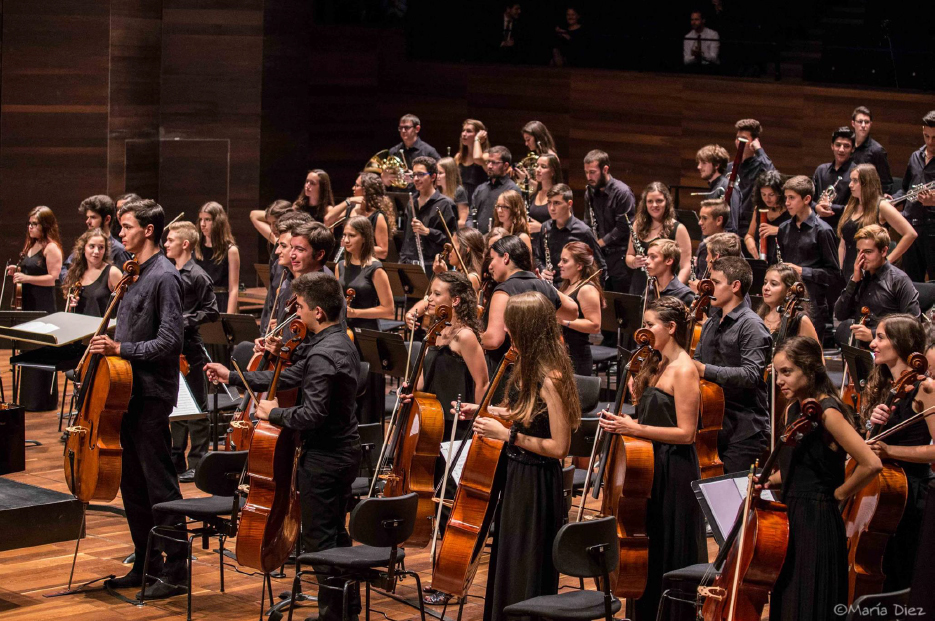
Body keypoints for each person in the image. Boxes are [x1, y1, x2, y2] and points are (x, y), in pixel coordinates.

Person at [206, 272, 362, 621]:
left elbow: (313, 414)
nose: (299, 315)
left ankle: (333, 616)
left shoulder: (324, 354)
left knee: (322, 542)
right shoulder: (337, 342)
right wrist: (232, 375)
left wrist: (274, 413)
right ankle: (345, 612)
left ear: (318, 312)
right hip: (344, 453)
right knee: (337, 534)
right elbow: (288, 377)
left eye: (303, 308)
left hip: (324, 459)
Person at [88, 199, 186, 599]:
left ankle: (177, 572)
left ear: (148, 230)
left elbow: (169, 341)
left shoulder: (164, 277)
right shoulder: (132, 275)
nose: (121, 233)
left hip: (152, 394)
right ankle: (147, 563)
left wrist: (119, 347)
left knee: (159, 483)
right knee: (132, 483)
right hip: (124, 393)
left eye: (126, 227)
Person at [464, 291, 580, 621]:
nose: (504, 329)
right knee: (509, 559)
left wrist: (507, 434)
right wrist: (492, 411)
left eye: (509, 323)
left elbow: (560, 447)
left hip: (537, 483)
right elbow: (530, 414)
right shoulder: (526, 365)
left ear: (523, 327)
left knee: (525, 564)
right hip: (516, 475)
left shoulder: (551, 378)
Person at [599, 296, 706, 620]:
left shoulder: (685, 369)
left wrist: (635, 426)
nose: (642, 330)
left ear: (671, 328)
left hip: (674, 470)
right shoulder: (655, 362)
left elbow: (687, 433)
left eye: (649, 324)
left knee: (668, 547)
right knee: (651, 546)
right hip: (650, 466)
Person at [765, 336, 882, 621]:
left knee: (809, 601)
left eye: (787, 372)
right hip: (792, 514)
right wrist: (768, 482)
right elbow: (800, 469)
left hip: (817, 519)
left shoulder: (827, 412)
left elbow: (871, 463)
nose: (780, 380)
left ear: (810, 370)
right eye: (777, 373)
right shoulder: (795, 409)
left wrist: (839, 494)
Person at [862, 314, 935, 591]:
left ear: (901, 342)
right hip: (882, 490)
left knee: (903, 572)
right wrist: (872, 423)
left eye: (881, 337)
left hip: (912, 492)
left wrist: (890, 449)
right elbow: (870, 443)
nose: (873, 344)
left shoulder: (926, 388)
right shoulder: (884, 385)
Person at [693, 256, 771, 473]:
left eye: (716, 283)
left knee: (734, 501)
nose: (708, 287)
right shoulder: (711, 322)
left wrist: (705, 370)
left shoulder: (752, 325)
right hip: (713, 423)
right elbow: (698, 360)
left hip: (744, 430)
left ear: (735, 286)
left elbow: (751, 374)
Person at [164, 221, 219, 482]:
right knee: (176, 403)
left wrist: (182, 320)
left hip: (191, 348)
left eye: (171, 240)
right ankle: (176, 458)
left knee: (197, 405)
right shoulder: (167, 271)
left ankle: (198, 462)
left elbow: (212, 311)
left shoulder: (197, 275)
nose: (166, 244)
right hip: (171, 347)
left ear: (185, 244)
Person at [482, 235, 577, 370]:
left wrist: (468, 337)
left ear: (505, 257)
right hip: (543, 369)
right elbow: (573, 311)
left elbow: (493, 340)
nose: (490, 266)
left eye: (492, 258)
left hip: (511, 374)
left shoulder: (503, 291)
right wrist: (546, 285)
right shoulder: (543, 286)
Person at [776, 176, 842, 345]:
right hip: (787, 301)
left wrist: (802, 271)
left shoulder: (823, 231)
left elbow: (834, 274)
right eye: (786, 198)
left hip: (813, 304)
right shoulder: (784, 229)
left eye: (792, 198)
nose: (787, 203)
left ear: (807, 199)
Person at [834, 225, 920, 346]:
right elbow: (840, 314)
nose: (861, 257)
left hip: (891, 350)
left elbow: (913, 325)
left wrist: (874, 335)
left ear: (884, 251)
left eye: (868, 252)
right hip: (862, 350)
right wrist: (854, 281)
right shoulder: (859, 279)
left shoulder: (899, 280)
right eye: (859, 251)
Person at [837, 164, 915, 279]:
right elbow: (843, 245)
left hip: (872, 274)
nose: (850, 185)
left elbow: (910, 234)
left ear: (866, 183)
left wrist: (886, 262)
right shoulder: (849, 207)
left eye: (855, 181)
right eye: (850, 180)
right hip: (849, 273)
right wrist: (840, 269)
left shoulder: (882, 206)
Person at [583, 149, 636, 293]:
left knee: (621, 303)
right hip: (600, 258)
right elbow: (588, 222)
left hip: (620, 258)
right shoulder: (590, 192)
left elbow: (623, 227)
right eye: (586, 172)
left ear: (605, 169)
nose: (589, 176)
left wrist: (598, 243)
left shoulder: (622, 193)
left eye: (592, 172)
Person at [891, 110, 935, 282]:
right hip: (910, 226)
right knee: (911, 281)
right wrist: (892, 200)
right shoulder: (915, 157)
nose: (930, 142)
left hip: (933, 230)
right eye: (927, 136)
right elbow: (906, 189)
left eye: (934, 138)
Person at [626, 182, 692, 295]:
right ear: (645, 204)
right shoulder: (638, 225)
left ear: (667, 202)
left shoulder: (678, 229)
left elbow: (686, 267)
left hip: (665, 288)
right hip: (639, 285)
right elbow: (629, 256)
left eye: (659, 201)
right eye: (650, 201)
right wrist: (634, 262)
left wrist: (672, 291)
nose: (654, 205)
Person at [537, 184, 605, 286]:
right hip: (550, 287)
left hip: (573, 289)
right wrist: (543, 270)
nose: (551, 208)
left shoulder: (583, 232)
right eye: (549, 203)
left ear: (569, 204)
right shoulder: (545, 227)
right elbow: (538, 257)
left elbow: (599, 266)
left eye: (557, 203)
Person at [399, 156, 458, 273]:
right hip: (409, 263)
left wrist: (428, 231)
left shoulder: (445, 204)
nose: (415, 179)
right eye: (414, 175)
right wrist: (402, 260)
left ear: (433, 177)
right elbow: (407, 237)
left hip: (433, 266)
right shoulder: (411, 203)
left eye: (421, 174)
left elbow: (452, 241)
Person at [337, 216, 394, 331]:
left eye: (352, 236)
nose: (346, 240)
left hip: (366, 331)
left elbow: (389, 310)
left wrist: (355, 313)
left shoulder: (375, 269)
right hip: (343, 329)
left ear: (364, 238)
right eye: (344, 235)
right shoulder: (340, 266)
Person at [557, 242, 604, 375]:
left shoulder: (586, 289)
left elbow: (594, 325)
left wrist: (563, 321)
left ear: (579, 265)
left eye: (565, 261)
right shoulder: (567, 285)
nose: (559, 264)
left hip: (577, 357)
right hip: (565, 353)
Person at [61, 195, 133, 279]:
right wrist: (77, 283)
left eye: (93, 217)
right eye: (88, 217)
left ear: (107, 219)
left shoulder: (119, 251)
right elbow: (65, 268)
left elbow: (127, 283)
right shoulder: (86, 244)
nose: (88, 221)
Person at [8, 206, 63, 313]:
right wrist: (18, 270)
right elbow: (33, 269)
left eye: (34, 224)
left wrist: (26, 278)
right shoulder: (32, 244)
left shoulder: (51, 248)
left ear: (45, 225)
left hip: (42, 304)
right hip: (27, 301)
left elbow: (53, 279)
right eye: (29, 223)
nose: (30, 227)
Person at [332, 172, 396, 261]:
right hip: (346, 261)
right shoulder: (351, 209)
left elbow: (383, 252)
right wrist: (348, 201)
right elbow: (328, 219)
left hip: (364, 266)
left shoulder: (378, 217)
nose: (353, 188)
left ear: (366, 191)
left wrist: (355, 246)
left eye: (357, 185)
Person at [728, 118, 775, 238]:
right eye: (737, 138)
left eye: (744, 139)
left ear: (754, 142)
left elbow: (773, 175)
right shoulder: (730, 167)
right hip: (730, 222)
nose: (739, 142)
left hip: (749, 225)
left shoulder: (761, 166)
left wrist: (759, 150)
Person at [61, 228, 123, 316]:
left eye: (101, 247)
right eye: (92, 246)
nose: (96, 251)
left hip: (102, 328)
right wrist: (71, 306)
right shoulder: (77, 272)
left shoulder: (112, 273)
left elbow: (125, 306)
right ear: (83, 248)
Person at [757, 263, 820, 346]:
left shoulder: (800, 321)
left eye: (774, 284)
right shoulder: (758, 317)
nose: (766, 288)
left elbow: (817, 357)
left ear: (789, 291)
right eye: (765, 283)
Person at [195, 202, 240, 314]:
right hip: (198, 302)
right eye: (201, 219)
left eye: (207, 220)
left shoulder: (230, 250)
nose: (202, 224)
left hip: (220, 303)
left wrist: (228, 318)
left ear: (218, 222)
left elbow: (233, 289)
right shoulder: (196, 246)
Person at [812, 126, 856, 231]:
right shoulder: (821, 170)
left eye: (846, 146)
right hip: (817, 227)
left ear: (853, 149)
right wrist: (816, 207)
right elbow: (809, 199)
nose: (841, 149)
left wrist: (831, 207)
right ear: (832, 146)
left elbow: (857, 206)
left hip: (843, 229)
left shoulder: (857, 173)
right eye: (838, 145)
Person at [471, 146, 521, 234]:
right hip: (477, 241)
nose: (489, 166)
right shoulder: (480, 188)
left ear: (505, 166)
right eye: (488, 162)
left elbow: (514, 220)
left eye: (494, 163)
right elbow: (470, 216)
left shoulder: (512, 190)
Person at [743, 170, 789, 264]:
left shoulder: (790, 209)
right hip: (763, 260)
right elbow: (749, 234)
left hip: (784, 262)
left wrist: (778, 230)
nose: (767, 199)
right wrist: (749, 242)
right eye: (763, 194)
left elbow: (799, 236)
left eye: (771, 195)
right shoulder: (759, 209)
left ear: (780, 193)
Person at [695, 144, 741, 232]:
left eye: (704, 163)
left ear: (716, 165)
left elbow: (731, 226)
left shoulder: (727, 187)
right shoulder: (714, 188)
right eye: (699, 163)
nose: (699, 167)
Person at [850, 106, 893, 194]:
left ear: (870, 124)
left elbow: (886, 183)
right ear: (853, 123)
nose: (863, 125)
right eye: (860, 122)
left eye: (866, 122)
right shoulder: (848, 146)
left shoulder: (877, 150)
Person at [645, 239, 695, 306]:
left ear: (668, 261)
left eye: (653, 257)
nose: (646, 261)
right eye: (647, 256)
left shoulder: (684, 294)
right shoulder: (649, 290)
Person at [455, 119, 490, 207]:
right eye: (463, 130)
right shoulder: (459, 157)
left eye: (469, 131)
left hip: (479, 199)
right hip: (461, 200)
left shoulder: (486, 156)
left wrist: (477, 139)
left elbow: (477, 158)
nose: (464, 134)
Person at [529, 153, 563, 240]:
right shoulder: (534, 195)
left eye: (543, 166)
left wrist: (542, 228)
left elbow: (566, 228)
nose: (537, 170)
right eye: (537, 166)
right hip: (534, 246)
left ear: (552, 172)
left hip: (551, 246)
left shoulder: (560, 196)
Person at [695, 199, 729, 284]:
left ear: (719, 220)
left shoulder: (706, 247)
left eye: (704, 218)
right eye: (700, 218)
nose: (700, 222)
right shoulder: (733, 244)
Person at [493, 190, 532, 257]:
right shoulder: (495, 232)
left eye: (505, 207)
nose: (499, 210)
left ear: (516, 209)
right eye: (498, 206)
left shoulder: (522, 237)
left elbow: (527, 265)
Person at [437, 157, 470, 229]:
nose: (437, 176)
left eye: (440, 173)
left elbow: (462, 221)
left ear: (450, 174)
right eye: (436, 172)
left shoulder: (459, 191)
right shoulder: (436, 190)